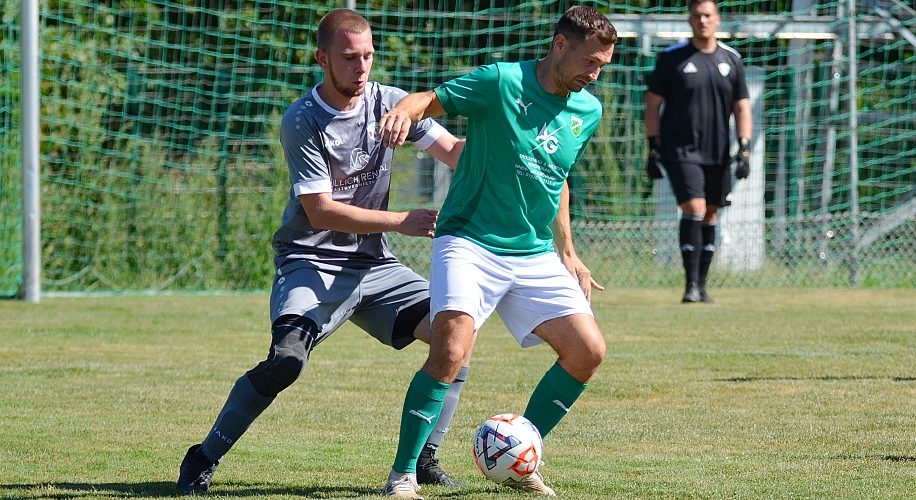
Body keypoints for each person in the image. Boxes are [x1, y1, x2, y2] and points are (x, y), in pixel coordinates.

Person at [176, 9, 469, 494]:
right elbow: (320, 211)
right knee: (286, 361)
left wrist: (507, 150)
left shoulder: (390, 103)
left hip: (373, 265)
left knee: (453, 340)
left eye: (368, 56)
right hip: (310, 261)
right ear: (322, 59)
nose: (361, 67)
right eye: (349, 57)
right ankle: (204, 456)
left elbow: (455, 151)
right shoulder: (303, 119)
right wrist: (404, 221)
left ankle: (423, 457)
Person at [376, 6, 616, 498]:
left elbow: (557, 177)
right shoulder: (500, 81)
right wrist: (404, 110)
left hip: (533, 252)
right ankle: (402, 476)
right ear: (560, 45)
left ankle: (518, 455)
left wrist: (568, 251)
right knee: (450, 350)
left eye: (602, 66)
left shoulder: (587, 111)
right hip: (469, 241)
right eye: (589, 62)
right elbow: (430, 100)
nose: (594, 75)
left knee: (588, 351)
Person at [644, 0, 752, 303]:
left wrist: (744, 147)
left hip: (718, 151)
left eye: (707, 15)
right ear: (689, 20)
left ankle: (702, 286)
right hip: (681, 148)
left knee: (711, 212)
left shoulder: (731, 59)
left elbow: (742, 106)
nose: (702, 20)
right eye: (697, 15)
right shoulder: (672, 58)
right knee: (694, 208)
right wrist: (653, 146)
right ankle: (690, 285)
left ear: (717, 19)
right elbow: (653, 104)